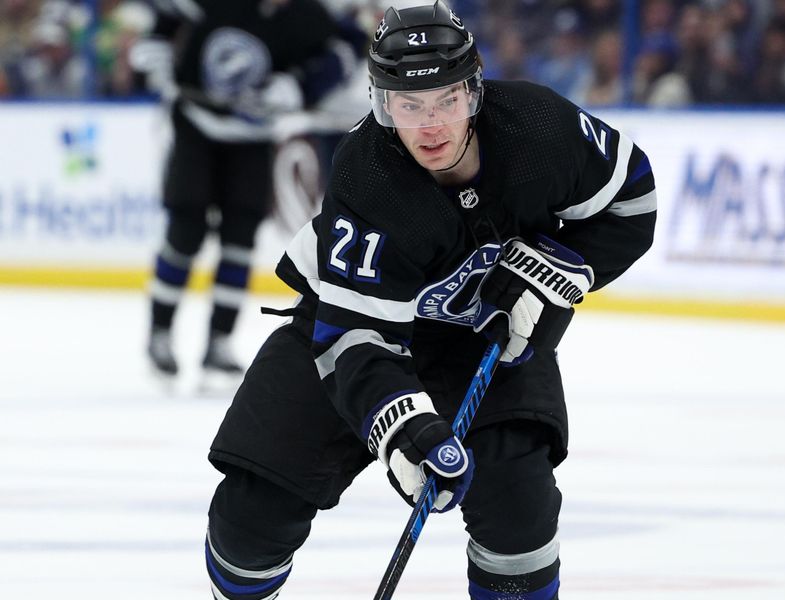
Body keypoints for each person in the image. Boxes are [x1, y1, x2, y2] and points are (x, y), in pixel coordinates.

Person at [205, 2, 657, 598]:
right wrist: (404, 429)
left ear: (474, 91)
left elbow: (631, 203)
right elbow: (355, 338)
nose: (431, 126)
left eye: (447, 99)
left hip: (486, 335)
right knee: (250, 519)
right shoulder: (367, 177)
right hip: (351, 324)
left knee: (519, 517)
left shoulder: (539, 129)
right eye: (409, 106)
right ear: (381, 105)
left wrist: (556, 272)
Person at [132, 0, 364, 377]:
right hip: (196, 125)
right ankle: (160, 331)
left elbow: (348, 47)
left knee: (239, 239)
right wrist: (156, 60)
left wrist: (299, 87)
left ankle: (219, 341)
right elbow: (165, 17)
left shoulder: (309, 15)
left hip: (254, 136)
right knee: (185, 230)